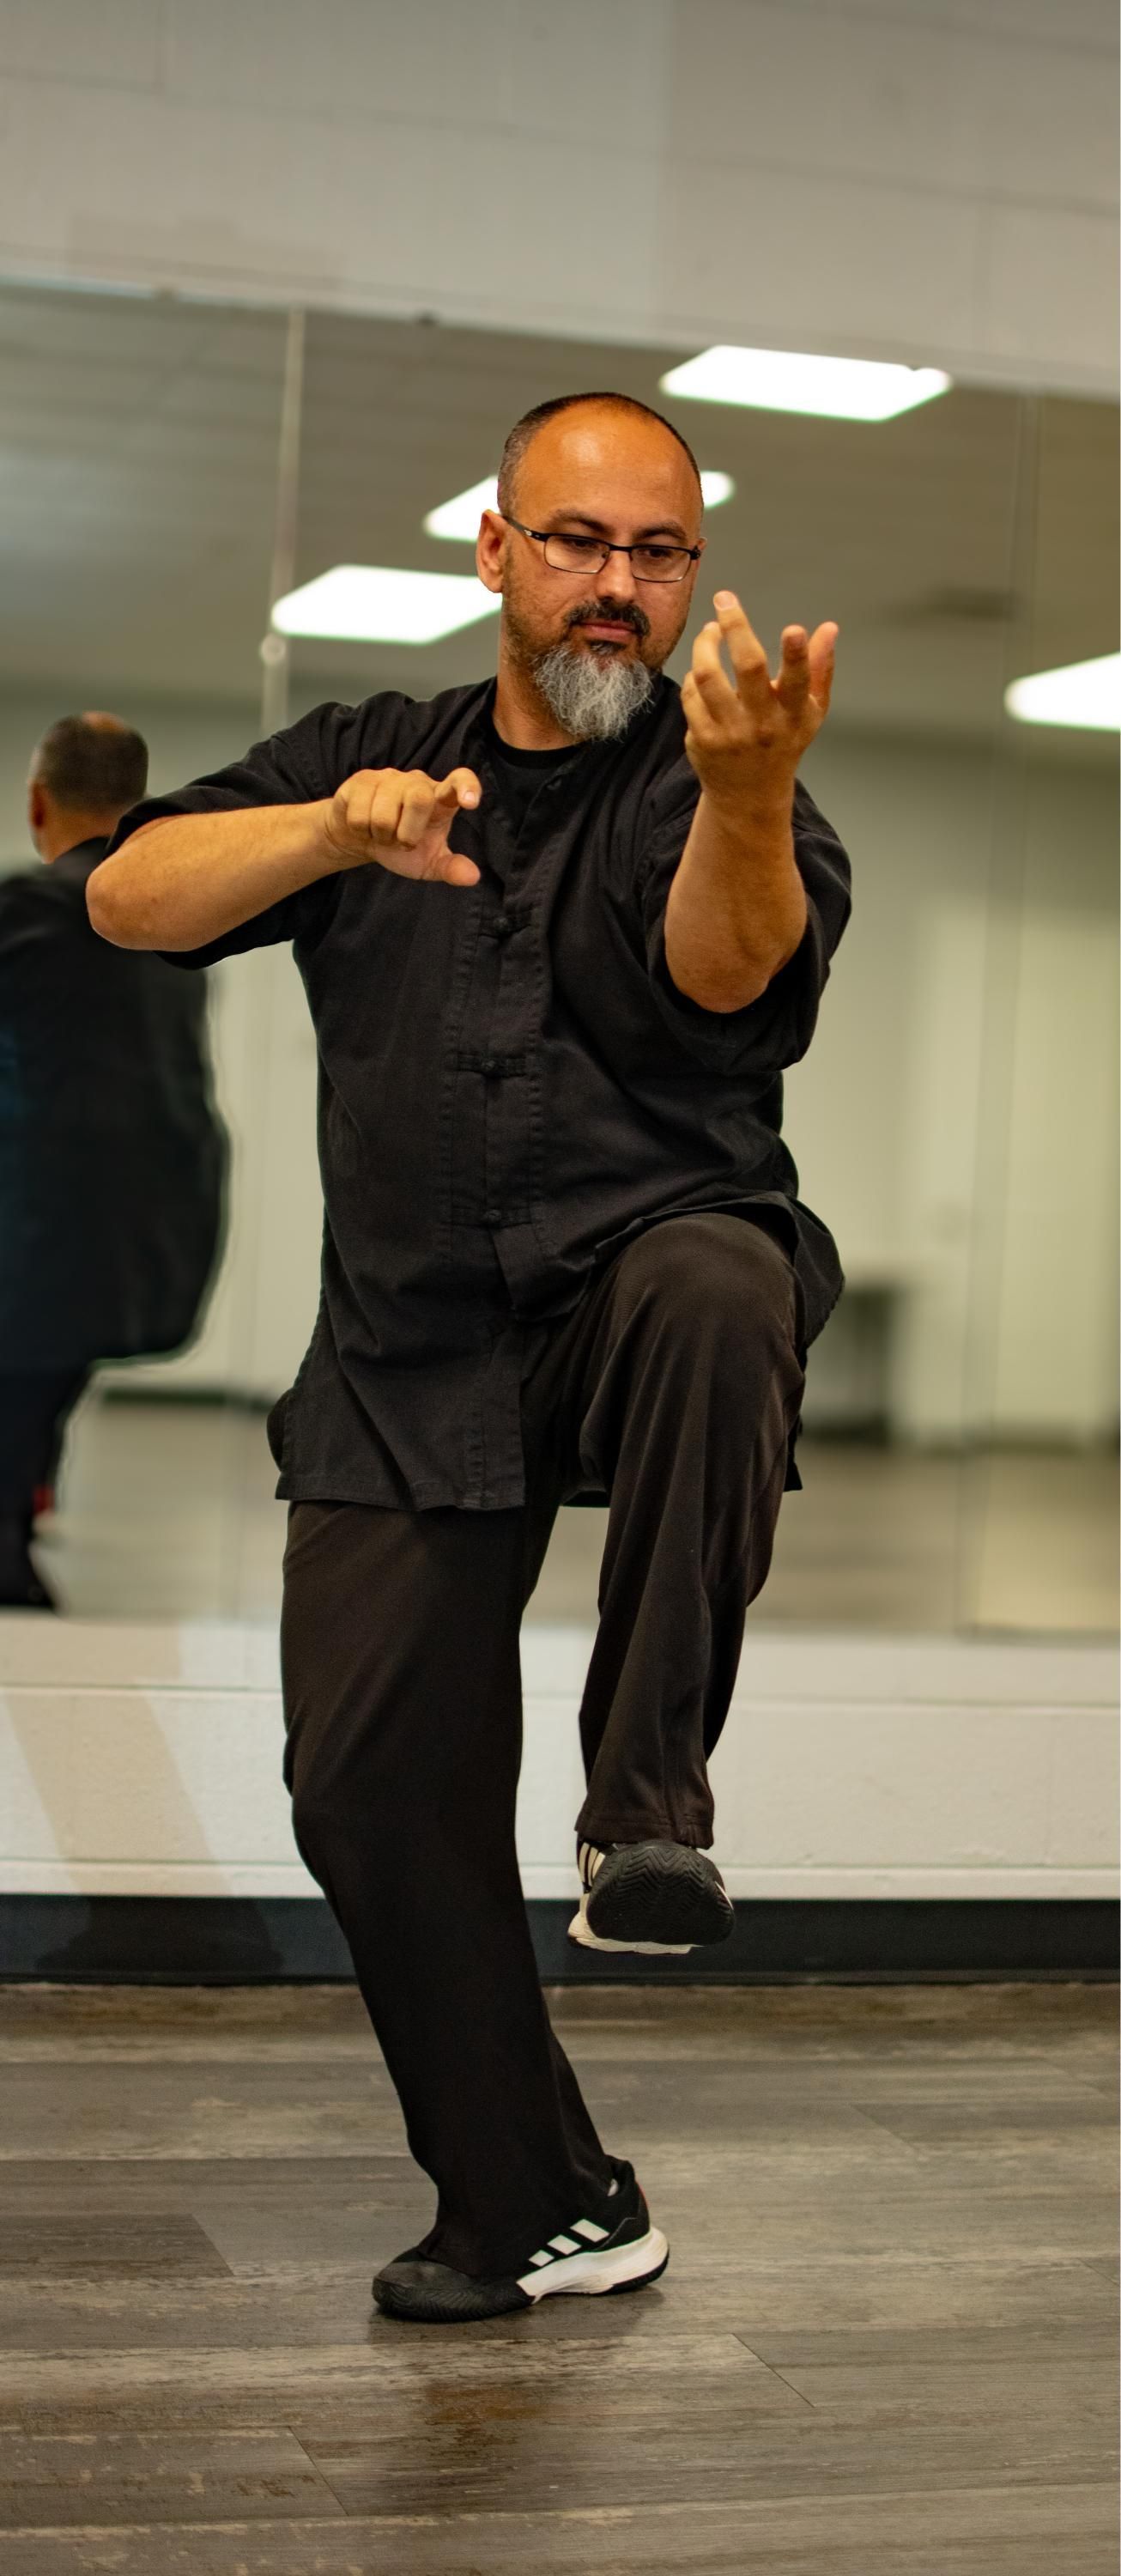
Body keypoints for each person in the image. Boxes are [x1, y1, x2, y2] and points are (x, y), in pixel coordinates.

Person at [89, 392, 851, 2323]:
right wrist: (323, 830)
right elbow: (125, 896)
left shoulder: (711, 766)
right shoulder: (367, 752)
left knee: (713, 1275)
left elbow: (717, 974)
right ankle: (541, 2198)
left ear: (689, 574)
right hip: (408, 1346)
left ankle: (645, 1812)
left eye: (657, 552)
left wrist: (749, 799)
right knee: (362, 1792)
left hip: (636, 1310)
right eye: (580, 543)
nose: (619, 587)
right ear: (496, 551)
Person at [0, 714, 227, 1608]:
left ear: (37, 802)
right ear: (136, 810)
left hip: (37, 1225)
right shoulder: (179, 918)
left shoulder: (26, 910)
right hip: (155, 1218)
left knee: (22, 1392)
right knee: (38, 1392)